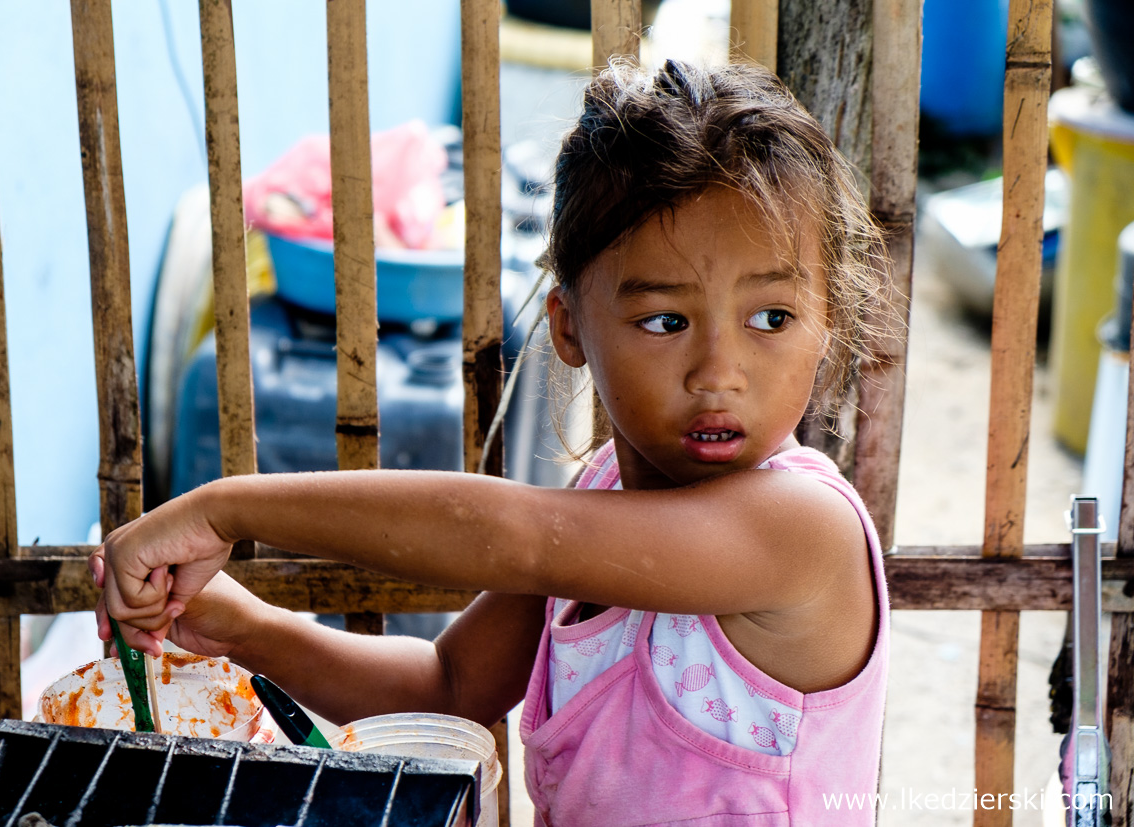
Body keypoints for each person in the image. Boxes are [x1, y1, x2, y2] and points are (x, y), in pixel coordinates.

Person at [93, 58, 896, 825]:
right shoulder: (600, 505)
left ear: (828, 325)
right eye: (664, 320)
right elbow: (448, 685)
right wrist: (246, 629)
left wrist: (227, 507)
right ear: (569, 327)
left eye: (772, 318)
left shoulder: (802, 529)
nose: (719, 373)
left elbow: (511, 536)